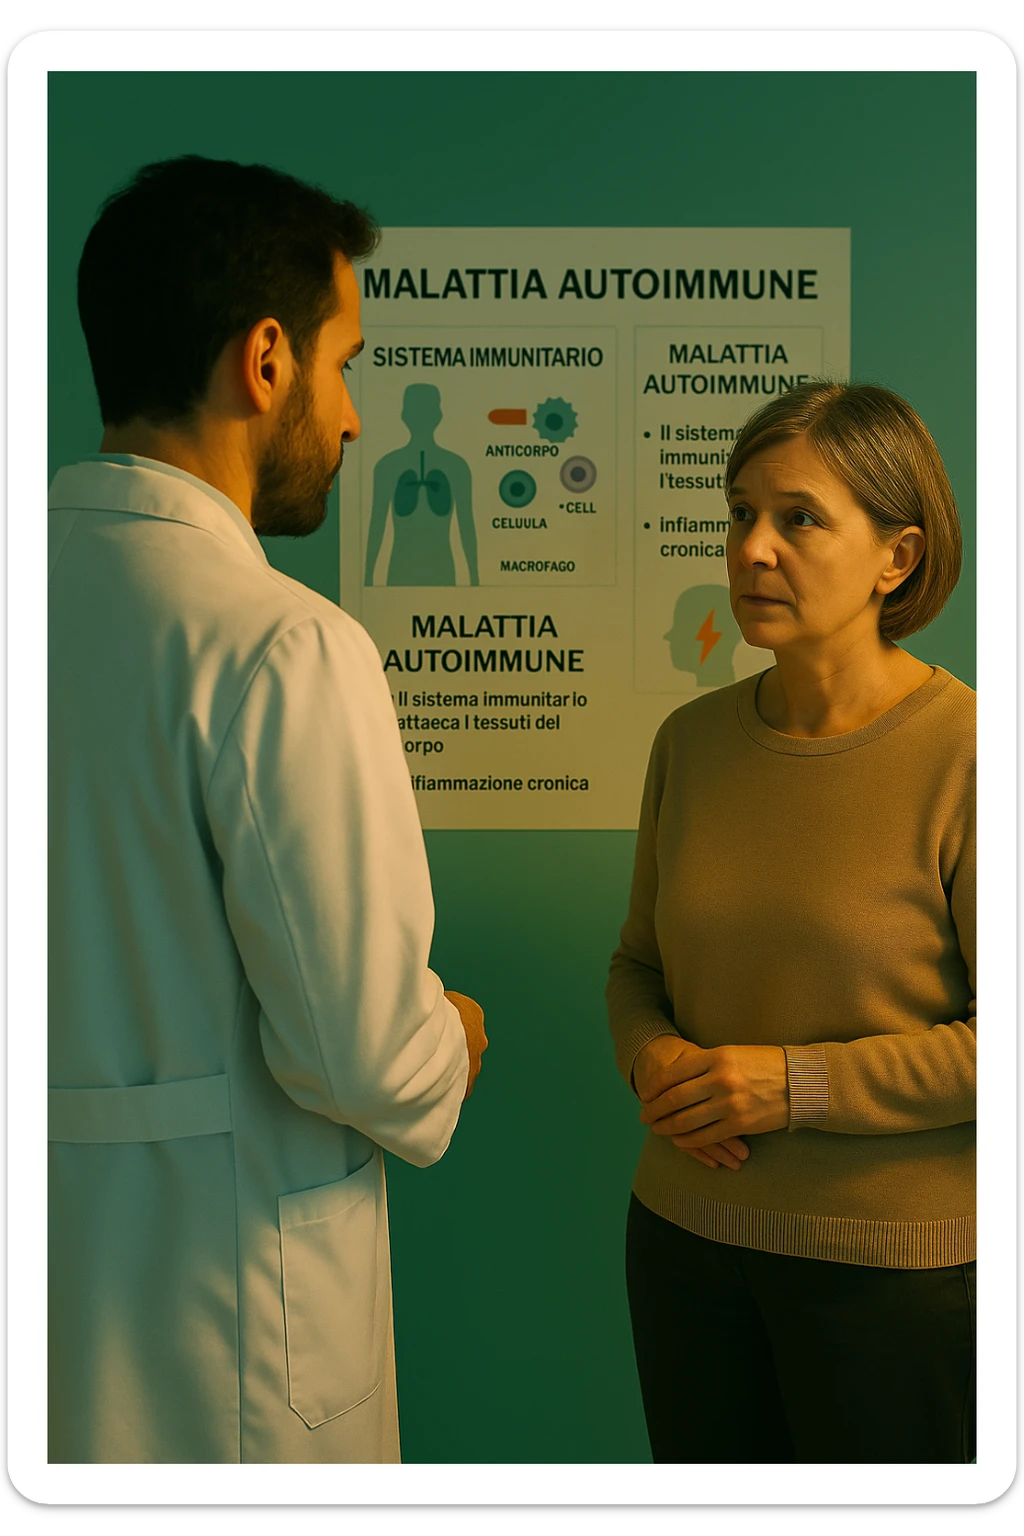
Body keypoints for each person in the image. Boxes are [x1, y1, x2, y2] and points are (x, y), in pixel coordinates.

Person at [48, 155, 488, 1465]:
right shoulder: (279, 647)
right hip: (233, 1335)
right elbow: (361, 1052)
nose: (353, 418)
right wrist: (451, 1038)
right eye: (344, 363)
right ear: (265, 361)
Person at [607, 381, 975, 1464]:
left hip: (896, 1280)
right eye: (738, 514)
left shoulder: (967, 756)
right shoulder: (689, 742)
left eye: (798, 518)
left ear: (894, 557)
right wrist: (653, 1060)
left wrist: (793, 1085)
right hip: (678, 1246)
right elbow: (635, 967)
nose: (752, 548)